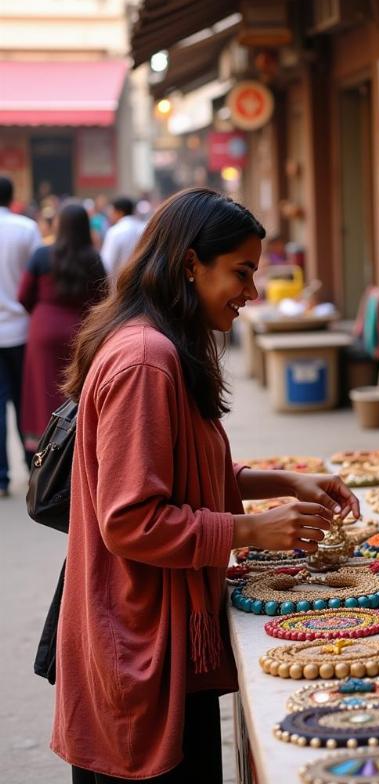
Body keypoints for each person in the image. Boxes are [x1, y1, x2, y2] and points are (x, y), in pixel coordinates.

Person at [53, 188, 360, 782]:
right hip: (136, 642)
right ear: (191, 264)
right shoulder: (146, 359)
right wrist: (249, 529)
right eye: (241, 273)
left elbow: (187, 480)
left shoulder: (166, 345)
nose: (251, 292)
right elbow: (131, 519)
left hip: (160, 637)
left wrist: (287, 483)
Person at [17, 202, 107, 452]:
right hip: (80, 331)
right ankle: (75, 445)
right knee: (77, 389)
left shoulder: (41, 255)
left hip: (43, 329)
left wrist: (42, 312)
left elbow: (24, 295)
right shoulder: (93, 257)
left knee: (42, 390)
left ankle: (45, 449)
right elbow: (103, 298)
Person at [0, 175, 41, 494]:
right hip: (22, 329)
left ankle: (1, 476)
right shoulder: (26, 229)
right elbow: (36, 279)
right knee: (26, 402)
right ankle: (34, 468)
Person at [99, 195, 145, 285]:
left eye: (112, 211)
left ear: (119, 212)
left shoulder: (115, 232)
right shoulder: (144, 228)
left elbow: (107, 264)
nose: (110, 215)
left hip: (119, 286)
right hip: (142, 285)